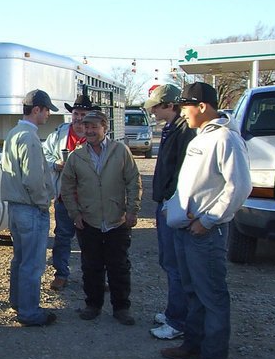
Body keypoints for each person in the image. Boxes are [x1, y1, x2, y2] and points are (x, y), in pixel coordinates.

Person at [160, 82, 251, 359]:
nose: (181, 111)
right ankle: (193, 343)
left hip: (205, 233)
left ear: (202, 107)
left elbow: (239, 186)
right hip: (187, 229)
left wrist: (208, 220)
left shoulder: (225, 138)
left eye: (185, 106)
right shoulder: (202, 136)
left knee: (211, 295)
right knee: (192, 291)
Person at [62, 110, 142, 325]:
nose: (89, 131)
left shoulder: (120, 151)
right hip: (89, 220)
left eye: (94, 127)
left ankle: (121, 308)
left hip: (117, 219)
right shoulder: (76, 156)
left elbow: (133, 181)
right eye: (86, 127)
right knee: (91, 266)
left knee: (119, 266)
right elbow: (67, 187)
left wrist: (132, 210)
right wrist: (75, 213)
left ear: (105, 129)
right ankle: (93, 305)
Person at [0, 89, 59, 326]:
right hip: (30, 207)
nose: (47, 115)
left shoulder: (14, 133)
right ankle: (29, 311)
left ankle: (19, 302)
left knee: (21, 259)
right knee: (32, 263)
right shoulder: (29, 137)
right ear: (37, 110)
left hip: (16, 207)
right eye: (46, 111)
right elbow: (33, 179)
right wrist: (44, 202)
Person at [142, 85, 196, 340]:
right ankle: (174, 311)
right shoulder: (171, 129)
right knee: (169, 261)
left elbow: (182, 172)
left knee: (175, 264)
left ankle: (178, 320)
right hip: (165, 202)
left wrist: (171, 202)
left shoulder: (185, 131)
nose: (152, 109)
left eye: (156, 105)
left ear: (170, 105)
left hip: (172, 204)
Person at [42, 94, 98, 291]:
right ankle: (61, 274)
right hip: (64, 197)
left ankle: (94, 275)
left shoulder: (96, 135)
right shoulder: (59, 134)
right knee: (62, 237)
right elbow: (44, 153)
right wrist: (55, 164)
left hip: (89, 199)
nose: (79, 118)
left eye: (83, 113)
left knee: (91, 240)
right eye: (76, 113)